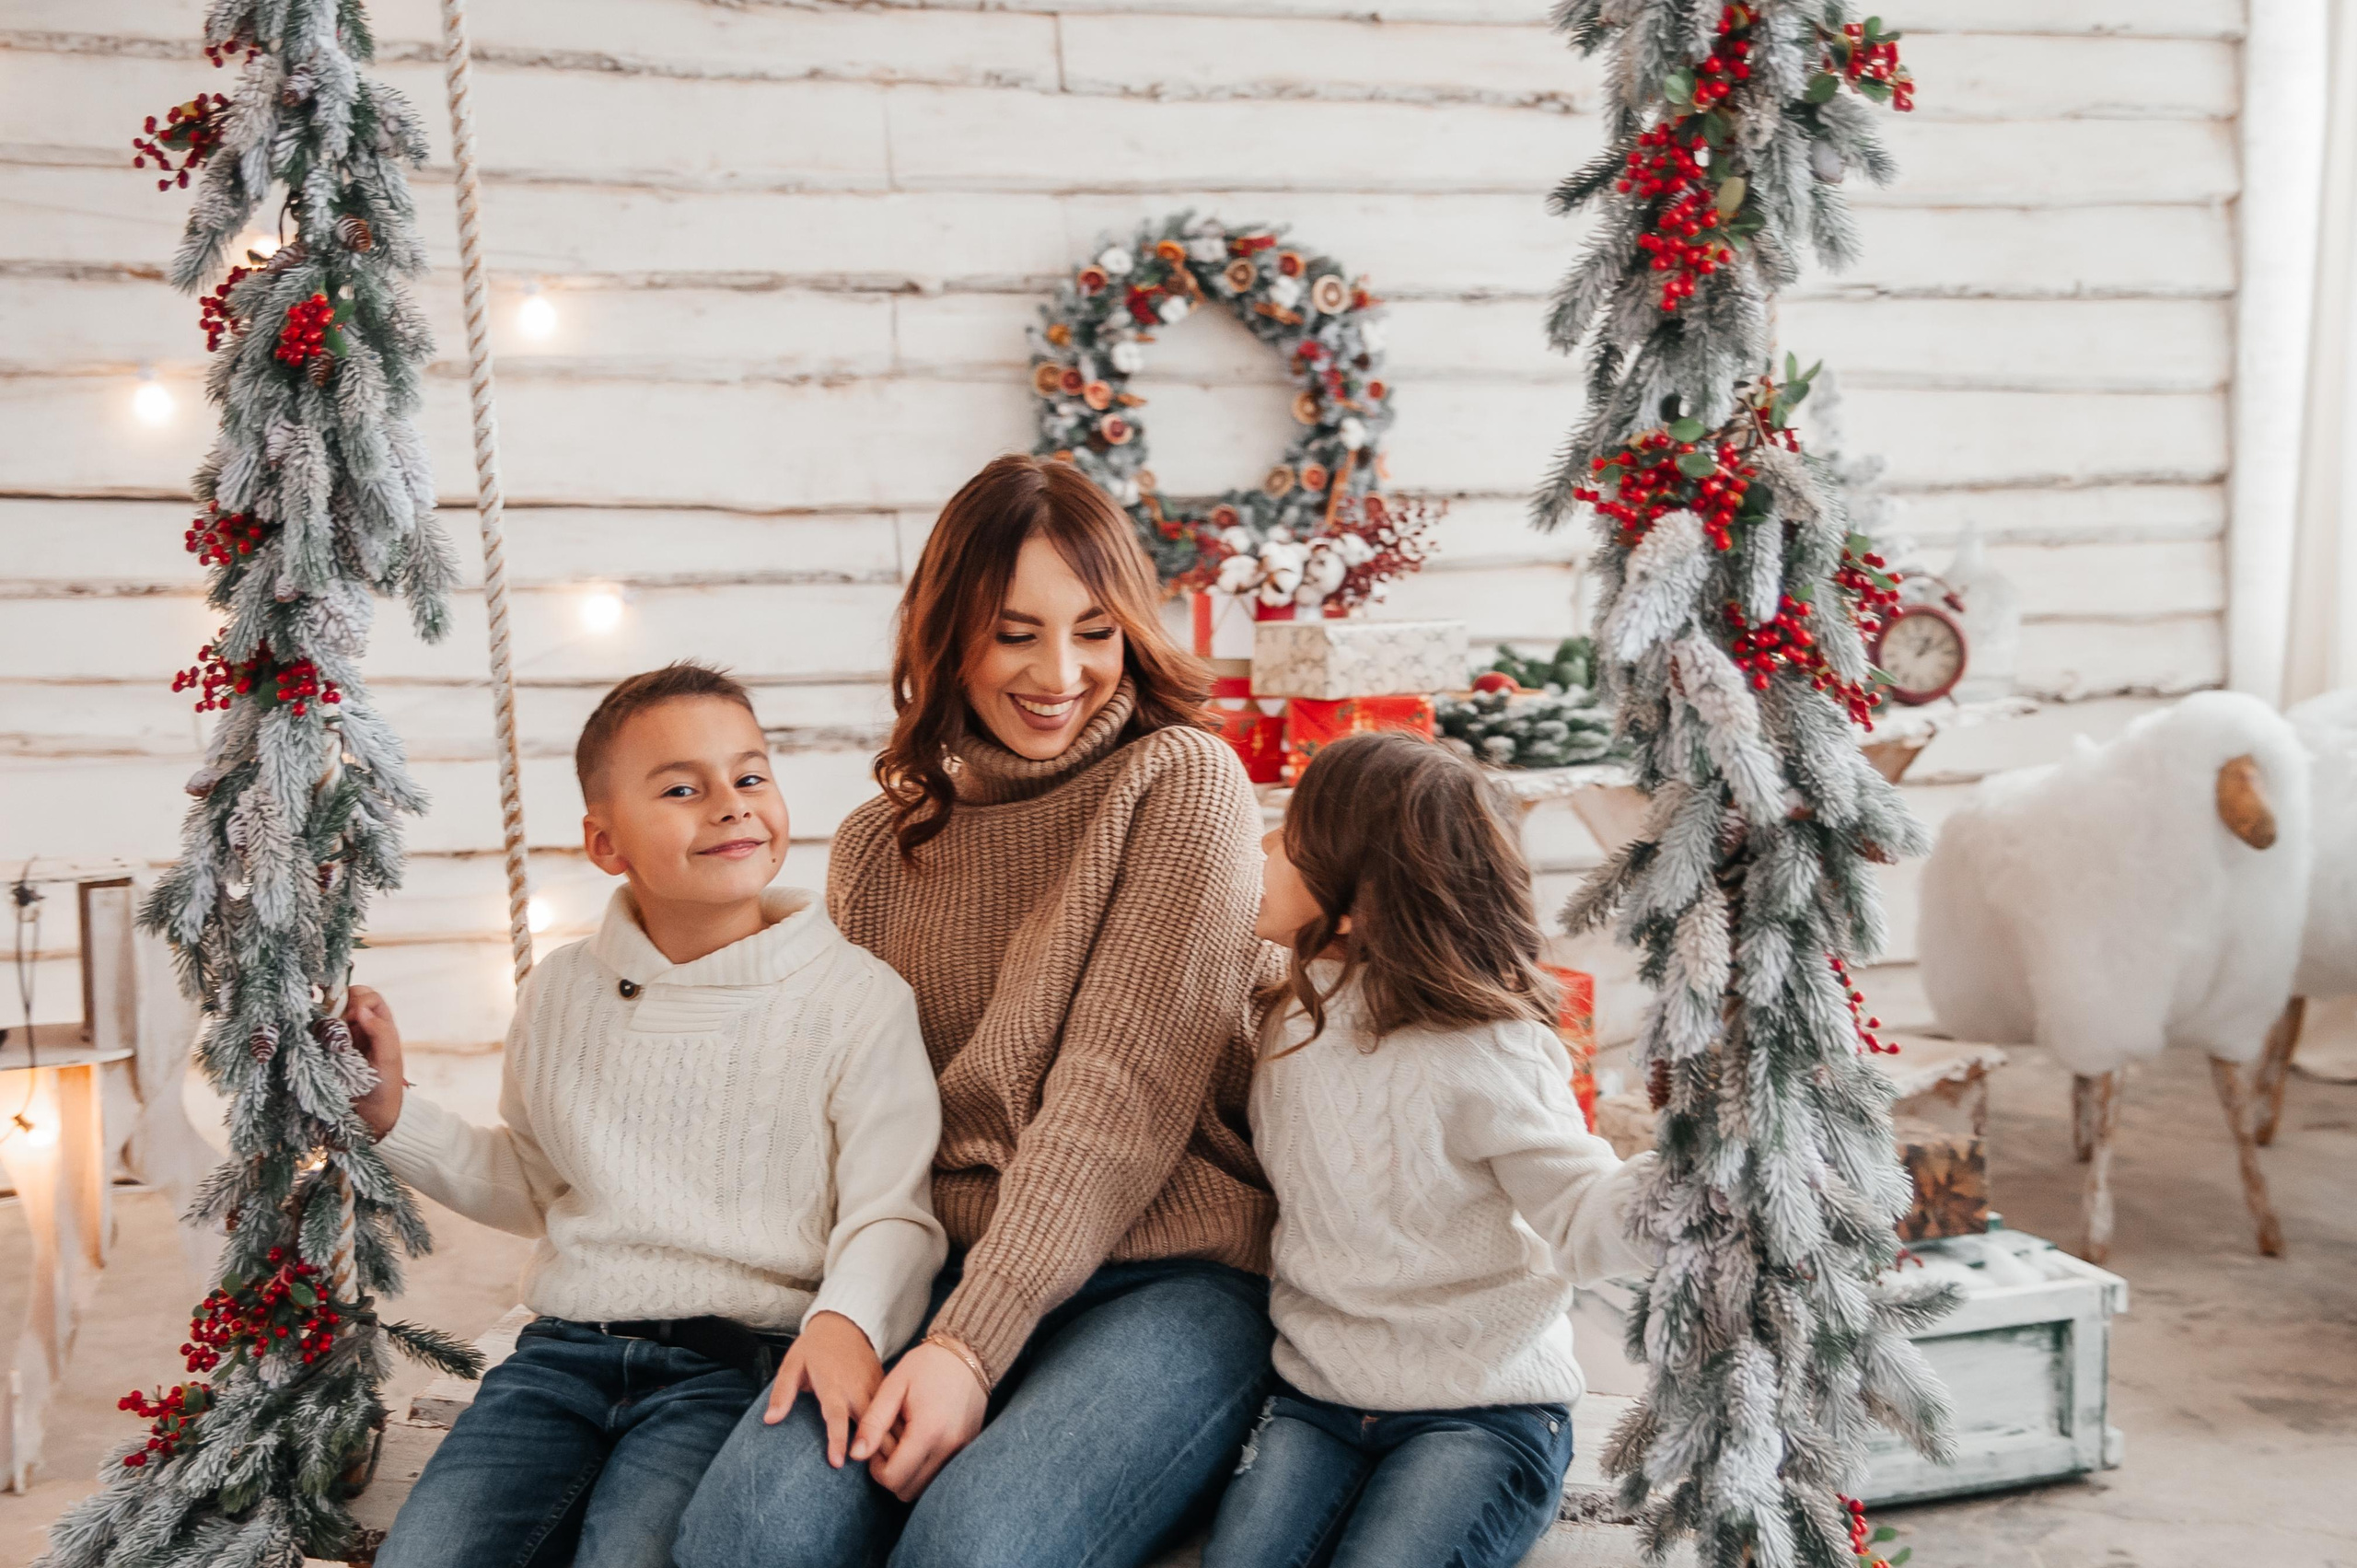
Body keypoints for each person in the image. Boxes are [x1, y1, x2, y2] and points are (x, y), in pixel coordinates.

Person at [679, 455, 1277, 1568]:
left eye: (1095, 631)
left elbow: (1120, 1100)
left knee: (975, 1547)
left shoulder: (1184, 780)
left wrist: (967, 1345)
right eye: (1015, 632)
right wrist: (847, 1312)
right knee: (744, 1537)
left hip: (1169, 1267)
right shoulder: (878, 841)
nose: (1062, 671)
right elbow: (847, 1117)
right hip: (936, 1262)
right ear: (948, 634)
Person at [347, 661, 946, 1568]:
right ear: (605, 841)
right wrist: (394, 1115)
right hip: (556, 1360)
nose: (731, 804)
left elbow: (891, 1209)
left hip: (729, 1363)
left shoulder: (856, 999)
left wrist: (849, 1321)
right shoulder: (559, 991)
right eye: (681, 787)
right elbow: (538, 1180)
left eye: (750, 775)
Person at [1202, 730, 1657, 1568]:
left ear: (1356, 902)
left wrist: (1687, 1173)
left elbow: (1584, 1223)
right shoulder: (1286, 1012)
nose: (1262, 847)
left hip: (1480, 1410)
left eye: (1291, 840)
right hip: (1317, 1399)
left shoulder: (1489, 1049)